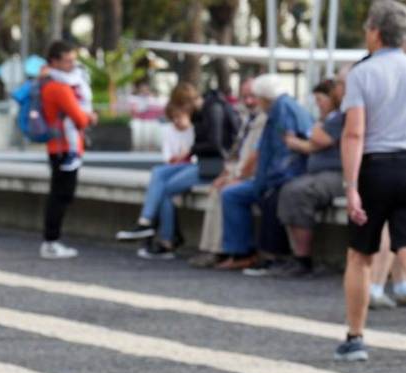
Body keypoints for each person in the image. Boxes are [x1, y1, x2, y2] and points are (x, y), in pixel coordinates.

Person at [336, 0, 406, 362]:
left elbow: (354, 134)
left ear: (376, 32)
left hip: (376, 167)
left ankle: (355, 337)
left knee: (361, 255)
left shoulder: (362, 74)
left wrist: (351, 188)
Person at [216, 75, 311, 271]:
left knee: (270, 198)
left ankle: (270, 256)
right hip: (273, 176)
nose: (255, 102)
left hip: (283, 177)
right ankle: (241, 251)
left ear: (264, 97)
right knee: (232, 194)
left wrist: (269, 180)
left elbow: (285, 151)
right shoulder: (280, 108)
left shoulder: (283, 110)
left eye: (257, 97)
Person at [261, 76, 346, 279]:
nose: (317, 105)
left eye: (320, 100)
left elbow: (316, 139)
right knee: (288, 190)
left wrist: (306, 134)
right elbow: (313, 143)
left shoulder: (338, 117)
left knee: (298, 192)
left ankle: (303, 259)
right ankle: (296, 256)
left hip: (337, 175)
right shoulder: (329, 120)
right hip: (319, 173)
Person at [115, 83, 206, 260]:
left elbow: (196, 152)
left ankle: (150, 226)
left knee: (161, 182)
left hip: (194, 168)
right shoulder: (172, 130)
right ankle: (161, 236)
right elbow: (169, 156)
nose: (177, 121)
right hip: (181, 168)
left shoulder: (199, 123)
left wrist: (184, 155)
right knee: (161, 181)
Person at [193, 78, 263, 265]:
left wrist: (237, 177)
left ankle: (234, 251)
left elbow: (256, 156)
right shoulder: (248, 118)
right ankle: (215, 249)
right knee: (217, 189)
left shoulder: (265, 119)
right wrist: (225, 175)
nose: (248, 101)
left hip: (253, 175)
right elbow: (236, 153)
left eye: (253, 97)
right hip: (240, 171)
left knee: (228, 193)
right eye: (245, 96)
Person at [38, 40, 97, 260]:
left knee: (59, 194)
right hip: (65, 149)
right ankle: (51, 241)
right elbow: (79, 118)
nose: (73, 64)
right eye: (68, 60)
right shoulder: (58, 87)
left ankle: (51, 240)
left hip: (60, 147)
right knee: (61, 196)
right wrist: (89, 117)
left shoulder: (51, 83)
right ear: (55, 61)